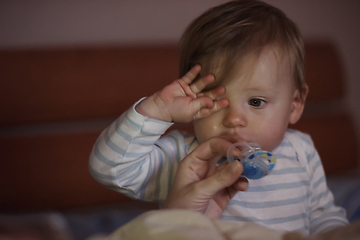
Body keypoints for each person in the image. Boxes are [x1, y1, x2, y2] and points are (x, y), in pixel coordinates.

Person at [88, 0, 348, 236]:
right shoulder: (184, 157)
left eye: (256, 102)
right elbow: (110, 169)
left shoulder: (301, 151)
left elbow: (322, 216)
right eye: (214, 102)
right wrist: (157, 109)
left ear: (294, 105)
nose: (234, 119)